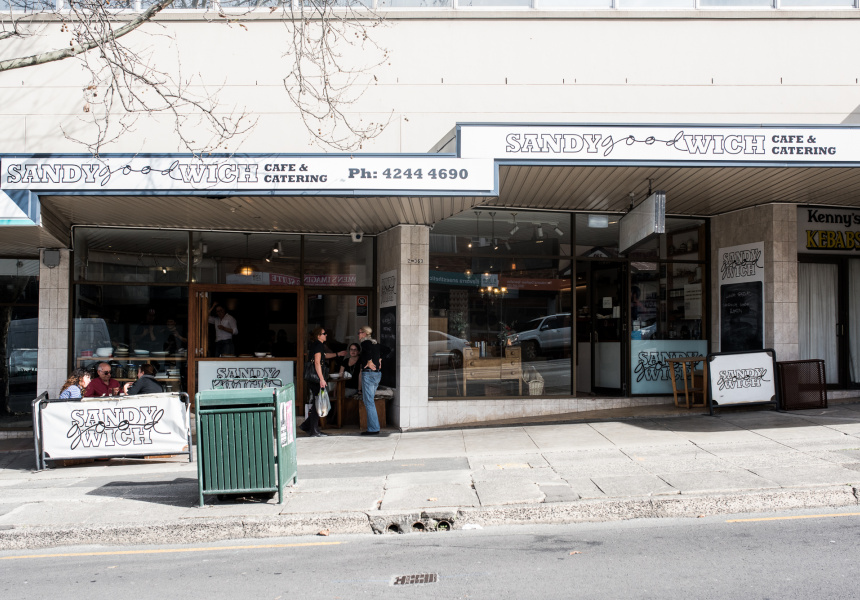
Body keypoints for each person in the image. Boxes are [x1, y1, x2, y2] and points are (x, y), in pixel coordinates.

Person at [300, 327, 344, 437]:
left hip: (313, 378)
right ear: (318, 336)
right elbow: (317, 362)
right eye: (324, 333)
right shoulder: (318, 345)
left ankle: (307, 426)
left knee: (317, 402)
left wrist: (337, 354)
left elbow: (323, 356)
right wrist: (322, 379)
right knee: (318, 404)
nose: (326, 335)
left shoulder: (316, 345)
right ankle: (313, 430)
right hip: (316, 379)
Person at [357, 325, 382, 436]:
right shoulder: (374, 343)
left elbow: (367, 351)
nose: (358, 335)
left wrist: (369, 361)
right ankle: (374, 427)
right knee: (370, 401)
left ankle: (373, 428)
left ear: (364, 333)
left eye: (359, 333)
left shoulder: (365, 342)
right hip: (377, 374)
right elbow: (387, 350)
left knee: (369, 402)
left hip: (368, 374)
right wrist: (380, 359)